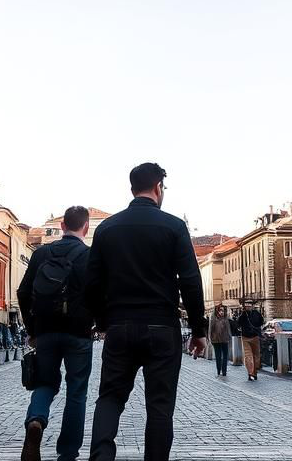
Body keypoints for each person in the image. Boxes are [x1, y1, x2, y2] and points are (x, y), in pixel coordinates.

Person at [86, 162, 207, 461]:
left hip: (120, 327)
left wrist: (103, 321)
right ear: (158, 187)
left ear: (132, 189)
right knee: (160, 406)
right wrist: (198, 330)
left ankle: (101, 456)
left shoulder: (107, 229)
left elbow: (91, 283)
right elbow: (190, 280)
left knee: (110, 398)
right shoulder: (174, 226)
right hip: (162, 328)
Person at [18, 206, 94, 461]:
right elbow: (100, 294)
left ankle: (36, 420)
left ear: (62, 226)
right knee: (77, 391)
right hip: (79, 333)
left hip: (46, 332)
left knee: (44, 383)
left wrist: (32, 329)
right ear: (85, 227)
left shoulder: (41, 254)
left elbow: (23, 292)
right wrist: (99, 323)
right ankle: (68, 453)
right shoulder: (89, 255)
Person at [237, 302, 264, 381]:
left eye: (249, 305)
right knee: (249, 355)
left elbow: (261, 322)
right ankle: (251, 373)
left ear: (252, 306)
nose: (248, 306)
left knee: (256, 356)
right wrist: (242, 313)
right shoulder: (244, 315)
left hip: (254, 337)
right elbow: (238, 323)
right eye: (246, 305)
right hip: (246, 337)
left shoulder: (256, 314)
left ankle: (253, 372)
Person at [208, 306, 232, 377]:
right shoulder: (213, 319)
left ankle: (224, 371)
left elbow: (228, 329)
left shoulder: (226, 319)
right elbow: (210, 330)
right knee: (218, 356)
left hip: (225, 340)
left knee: (225, 356)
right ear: (217, 311)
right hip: (216, 340)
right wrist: (210, 338)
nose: (222, 312)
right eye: (220, 310)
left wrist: (229, 337)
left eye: (223, 311)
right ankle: (218, 370)